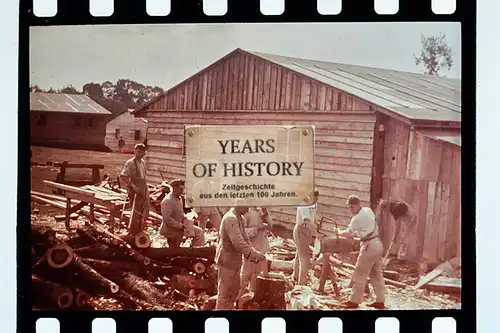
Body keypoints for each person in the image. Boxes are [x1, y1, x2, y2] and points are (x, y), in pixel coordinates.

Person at [334, 195, 386, 309]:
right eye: (349, 207)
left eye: (352, 207)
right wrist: (356, 234)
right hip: (377, 243)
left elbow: (348, 232)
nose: (351, 210)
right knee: (376, 274)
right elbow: (365, 228)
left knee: (360, 273)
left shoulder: (356, 218)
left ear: (358, 205)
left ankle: (354, 301)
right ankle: (380, 300)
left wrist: (338, 232)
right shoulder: (368, 210)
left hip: (369, 246)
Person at [215, 205, 267, 310]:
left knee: (233, 293)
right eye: (245, 207)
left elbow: (245, 239)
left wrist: (254, 254)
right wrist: (253, 255)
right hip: (226, 261)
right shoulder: (230, 219)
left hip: (235, 261)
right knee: (224, 294)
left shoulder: (240, 218)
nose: (248, 210)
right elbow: (238, 242)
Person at [238, 207, 273, 297]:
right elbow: (243, 232)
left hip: (261, 248)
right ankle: (238, 297)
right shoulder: (247, 212)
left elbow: (270, 226)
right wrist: (257, 229)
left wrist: (265, 214)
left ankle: (250, 296)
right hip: (251, 249)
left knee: (256, 274)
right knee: (246, 274)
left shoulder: (261, 211)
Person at [159, 179, 204, 248]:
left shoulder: (179, 199)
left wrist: (187, 219)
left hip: (181, 227)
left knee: (199, 232)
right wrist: (180, 226)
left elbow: (180, 213)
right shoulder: (167, 201)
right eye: (180, 189)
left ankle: (195, 251)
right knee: (175, 248)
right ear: (174, 188)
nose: (182, 191)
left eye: (183, 189)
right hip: (171, 230)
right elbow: (167, 219)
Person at [119, 143, 150, 236]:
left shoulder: (143, 162)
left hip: (143, 189)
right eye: (137, 151)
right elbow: (123, 176)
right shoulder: (130, 163)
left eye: (141, 152)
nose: (138, 153)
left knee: (143, 210)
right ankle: (132, 231)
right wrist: (132, 186)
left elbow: (144, 177)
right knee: (135, 211)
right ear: (135, 151)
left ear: (144, 153)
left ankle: (140, 229)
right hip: (134, 190)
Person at [292, 189, 319, 285]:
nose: (315, 201)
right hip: (301, 230)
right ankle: (302, 283)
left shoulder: (314, 204)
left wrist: (317, 223)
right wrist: (316, 233)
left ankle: (295, 276)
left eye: (316, 199)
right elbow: (307, 221)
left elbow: (313, 218)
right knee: (305, 258)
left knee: (299, 255)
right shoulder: (304, 205)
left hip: (307, 231)